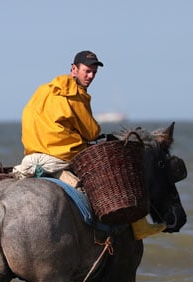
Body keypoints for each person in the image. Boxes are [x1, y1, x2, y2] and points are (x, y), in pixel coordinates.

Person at [14, 50, 164, 240]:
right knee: (114, 184)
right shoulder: (75, 93)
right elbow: (91, 132)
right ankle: (139, 227)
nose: (91, 76)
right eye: (87, 71)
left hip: (32, 155)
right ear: (74, 69)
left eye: (94, 72)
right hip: (60, 156)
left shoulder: (44, 90)